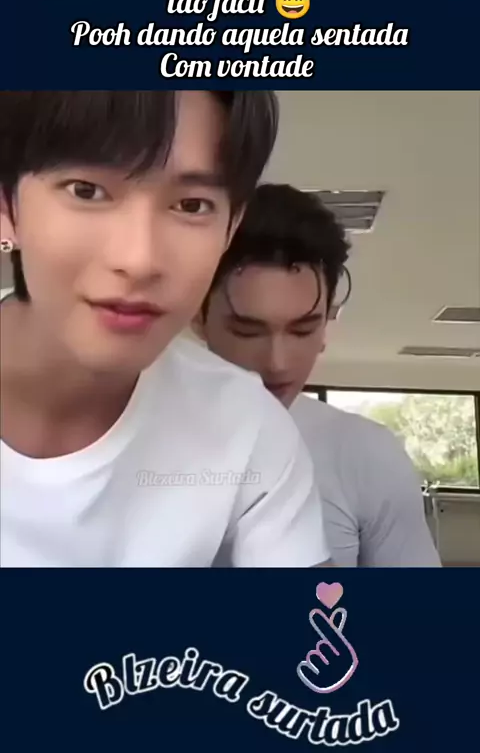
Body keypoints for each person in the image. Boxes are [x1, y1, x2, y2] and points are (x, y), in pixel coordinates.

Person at [0, 92, 331, 568]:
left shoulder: (247, 427)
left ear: (231, 226)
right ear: (7, 205)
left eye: (192, 205)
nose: (139, 260)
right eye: (86, 191)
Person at [197, 183, 441, 567]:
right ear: (197, 317)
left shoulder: (366, 455)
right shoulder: (127, 438)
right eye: (247, 331)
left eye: (302, 329)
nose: (278, 363)